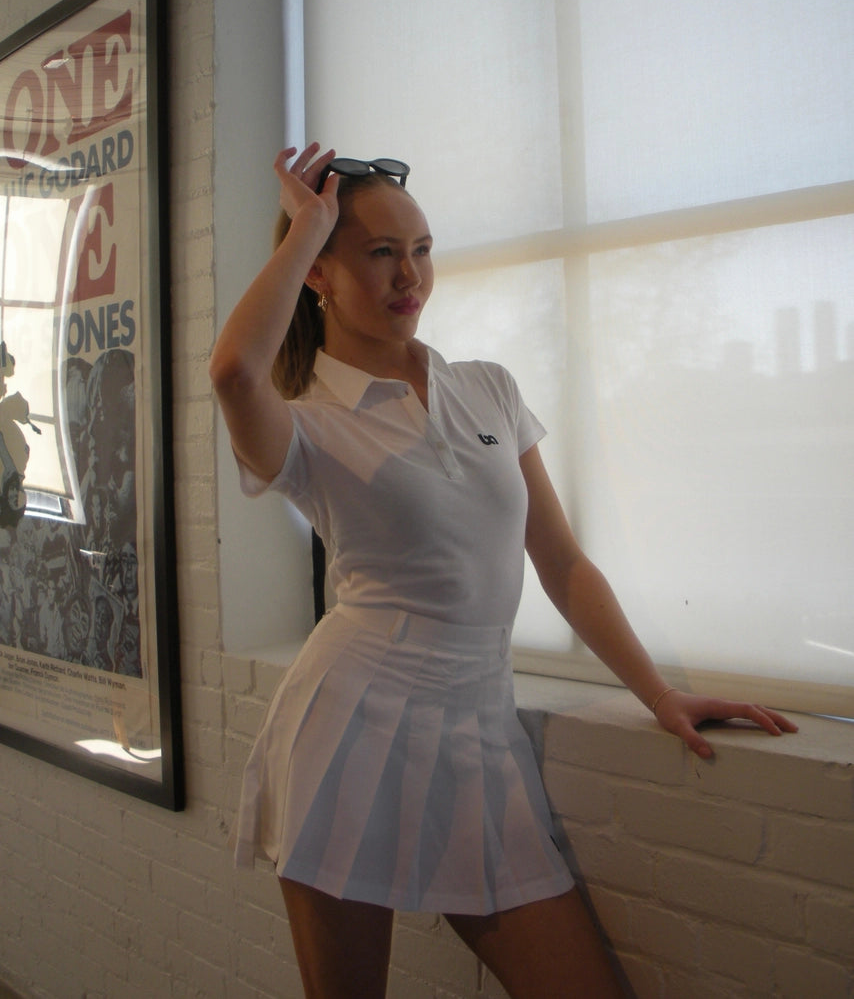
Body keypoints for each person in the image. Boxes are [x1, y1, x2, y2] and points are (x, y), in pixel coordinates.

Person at [210, 144, 798, 999]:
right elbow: (232, 370)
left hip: (479, 730)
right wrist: (307, 226)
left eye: (421, 249)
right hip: (351, 727)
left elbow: (560, 563)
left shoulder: (486, 387)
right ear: (320, 275)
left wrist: (660, 696)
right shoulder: (308, 425)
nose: (409, 275)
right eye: (378, 253)